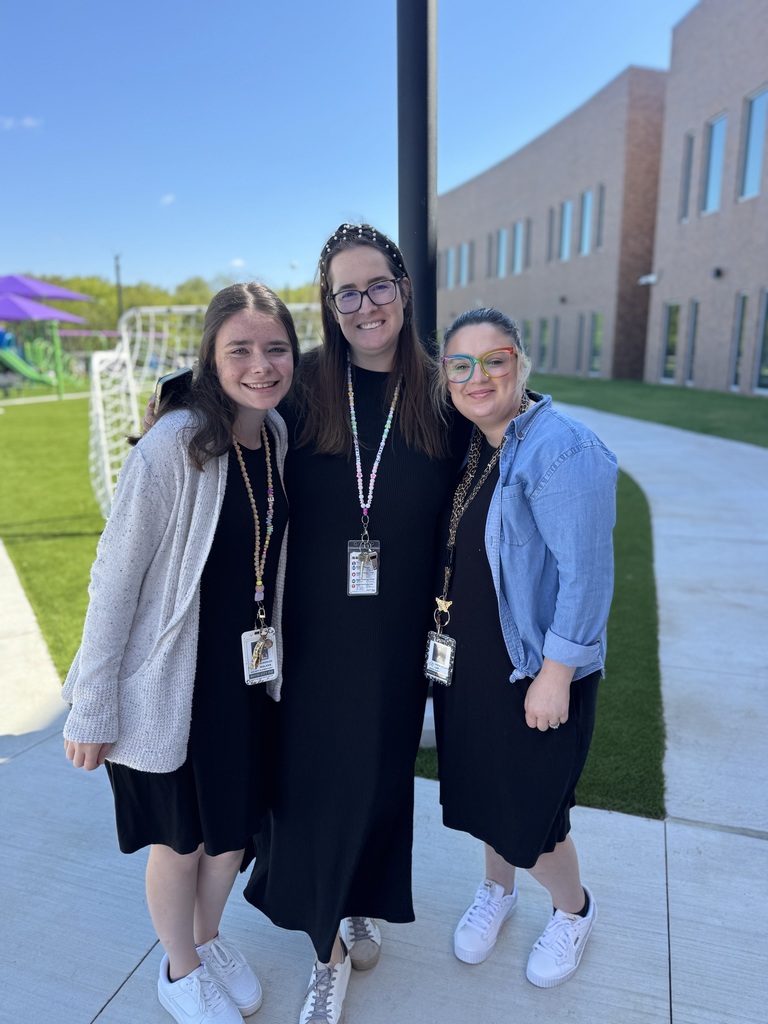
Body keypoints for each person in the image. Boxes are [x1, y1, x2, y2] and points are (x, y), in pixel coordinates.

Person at [243, 224, 470, 1024]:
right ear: (329, 306)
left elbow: (507, 449)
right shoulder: (301, 386)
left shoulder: (442, 393)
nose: (365, 304)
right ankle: (324, 953)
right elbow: (228, 411)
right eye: (347, 292)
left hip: (399, 635)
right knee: (310, 785)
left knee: (379, 779)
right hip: (313, 633)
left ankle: (359, 898)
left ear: (404, 290)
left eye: (378, 286)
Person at [62, 282, 299, 1024]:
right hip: (172, 683)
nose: (260, 364)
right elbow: (115, 578)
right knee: (183, 840)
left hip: (248, 679)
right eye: (241, 350)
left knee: (232, 834)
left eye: (276, 348)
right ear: (211, 357)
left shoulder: (278, 436)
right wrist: (92, 703)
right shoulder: (174, 445)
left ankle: (207, 936)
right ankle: (179, 967)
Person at [429, 307, 617, 988]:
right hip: (468, 660)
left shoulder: (563, 448)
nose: (478, 377)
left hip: (532, 668)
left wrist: (556, 673)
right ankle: (497, 890)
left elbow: (587, 574)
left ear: (521, 364)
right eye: (461, 365)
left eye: (495, 360)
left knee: (536, 812)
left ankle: (574, 910)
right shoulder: (476, 441)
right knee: (486, 791)